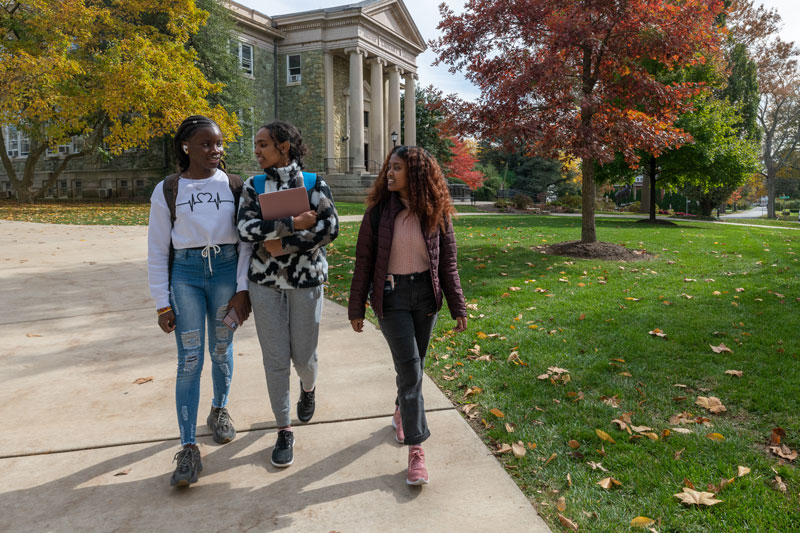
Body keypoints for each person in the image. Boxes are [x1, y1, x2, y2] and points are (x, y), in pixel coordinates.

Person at [348, 145, 468, 486]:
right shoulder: (377, 213)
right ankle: (417, 451)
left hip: (426, 299)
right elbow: (363, 263)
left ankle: (402, 410)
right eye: (389, 167)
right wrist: (356, 307)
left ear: (415, 174)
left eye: (396, 168)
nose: (389, 173)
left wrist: (458, 305)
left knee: (415, 366)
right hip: (392, 298)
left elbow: (448, 265)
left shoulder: (437, 213)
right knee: (411, 369)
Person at [147, 115, 252, 487]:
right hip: (186, 277)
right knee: (189, 359)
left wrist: (242, 290)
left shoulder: (236, 186)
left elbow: (245, 245)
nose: (215, 150)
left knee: (221, 350)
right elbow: (158, 249)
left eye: (219, 143)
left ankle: (219, 410)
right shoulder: (168, 189)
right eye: (206, 144)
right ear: (186, 146)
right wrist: (162, 301)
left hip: (225, 274)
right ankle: (188, 446)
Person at [237, 120, 339, 468]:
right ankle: (283, 428)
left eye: (263, 144)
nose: (257, 150)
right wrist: (293, 225)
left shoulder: (313, 183)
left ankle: (308, 389)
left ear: (284, 145)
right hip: (264, 285)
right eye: (256, 144)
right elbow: (245, 228)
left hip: (306, 284)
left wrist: (281, 245)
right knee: (276, 360)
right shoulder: (253, 186)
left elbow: (330, 227)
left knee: (304, 358)